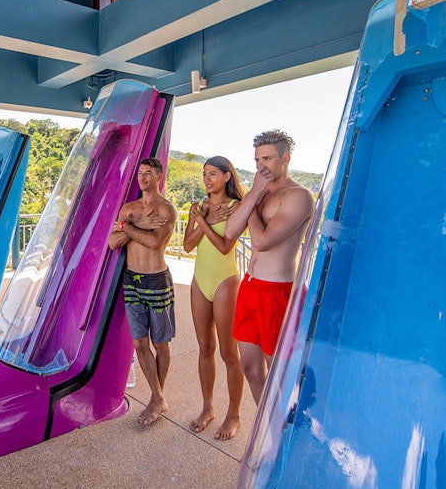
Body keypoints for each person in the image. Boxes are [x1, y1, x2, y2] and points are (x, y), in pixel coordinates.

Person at [225, 130, 315, 405]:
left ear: (285, 158)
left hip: (278, 292)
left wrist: (248, 203)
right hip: (251, 286)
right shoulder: (259, 193)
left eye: (267, 158)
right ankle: (266, 429)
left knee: (279, 372)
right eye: (256, 160)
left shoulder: (299, 196)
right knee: (251, 369)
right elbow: (230, 232)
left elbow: (262, 241)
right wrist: (254, 195)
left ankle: (284, 428)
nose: (260, 166)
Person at [109, 157, 178, 427]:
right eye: (140, 173)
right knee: (139, 343)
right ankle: (158, 397)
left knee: (160, 344)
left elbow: (152, 242)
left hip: (157, 281)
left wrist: (128, 227)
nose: (143, 178)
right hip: (131, 281)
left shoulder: (166, 210)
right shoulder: (129, 209)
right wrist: (133, 226)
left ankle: (156, 398)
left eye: (148, 173)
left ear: (158, 177)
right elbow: (113, 243)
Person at [182, 156, 246, 440]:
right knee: (204, 347)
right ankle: (208, 408)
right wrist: (204, 217)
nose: (207, 179)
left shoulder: (237, 208)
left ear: (227, 176)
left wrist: (204, 224)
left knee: (228, 352)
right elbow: (187, 246)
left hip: (225, 282)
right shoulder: (198, 207)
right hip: (200, 280)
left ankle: (234, 414)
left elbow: (223, 247)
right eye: (204, 174)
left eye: (213, 174)